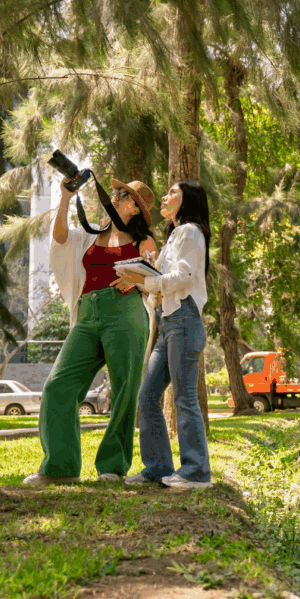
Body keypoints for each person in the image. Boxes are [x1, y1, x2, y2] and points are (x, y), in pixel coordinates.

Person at [23, 176, 157, 485]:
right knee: (58, 386)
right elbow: (60, 239)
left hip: (126, 313)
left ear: (134, 209)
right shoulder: (90, 235)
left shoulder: (143, 243)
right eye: (116, 193)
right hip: (87, 313)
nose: (115, 197)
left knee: (124, 390)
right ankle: (60, 467)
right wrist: (66, 198)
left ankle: (112, 467)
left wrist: (134, 281)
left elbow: (156, 280)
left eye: (122, 195)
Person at [116, 180, 212, 490]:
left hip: (184, 318)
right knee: (147, 395)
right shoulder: (173, 236)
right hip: (169, 321)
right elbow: (158, 282)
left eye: (173, 192)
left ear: (187, 200)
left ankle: (196, 472)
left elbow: (182, 277)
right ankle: (157, 468)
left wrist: (150, 280)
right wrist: (139, 276)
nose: (165, 196)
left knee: (184, 397)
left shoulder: (189, 232)